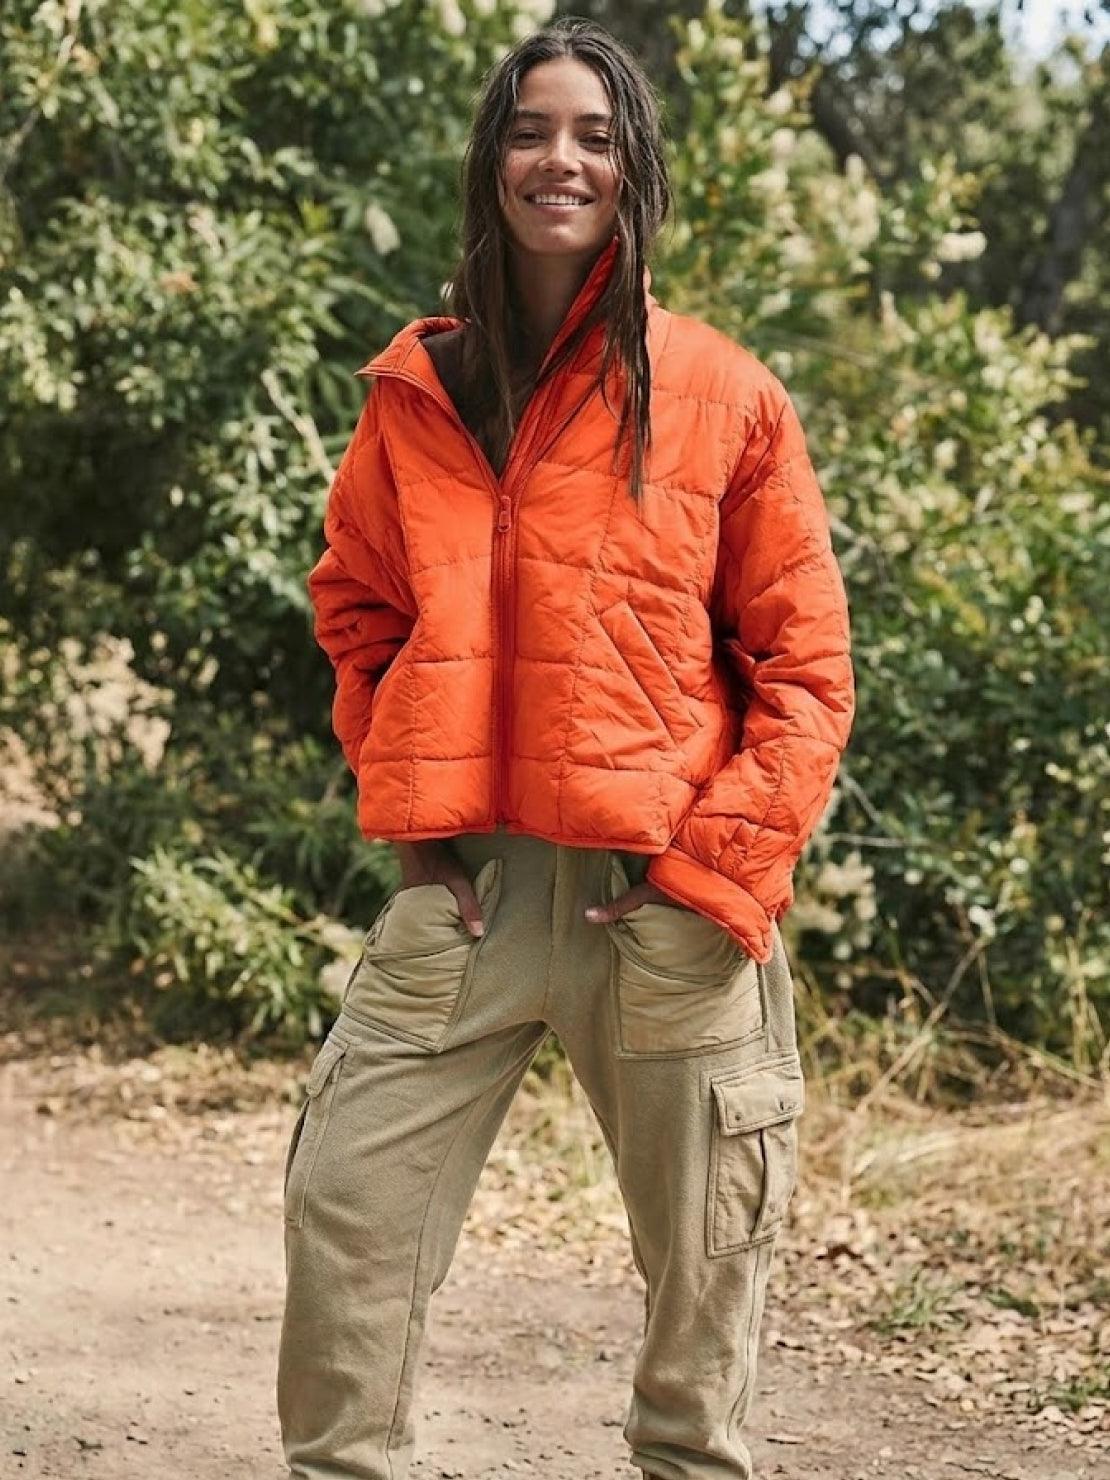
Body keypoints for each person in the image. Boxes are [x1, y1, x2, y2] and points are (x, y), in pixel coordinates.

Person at [277, 18, 855, 1480]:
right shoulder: (420, 389)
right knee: (346, 1207)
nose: (561, 158)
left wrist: (709, 877)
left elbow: (803, 668)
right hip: (464, 897)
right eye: (534, 128)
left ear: (633, 170)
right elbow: (354, 607)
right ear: (492, 156)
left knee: (705, 1275)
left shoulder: (721, 393)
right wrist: (412, 827)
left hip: (661, 901)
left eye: (595, 136)